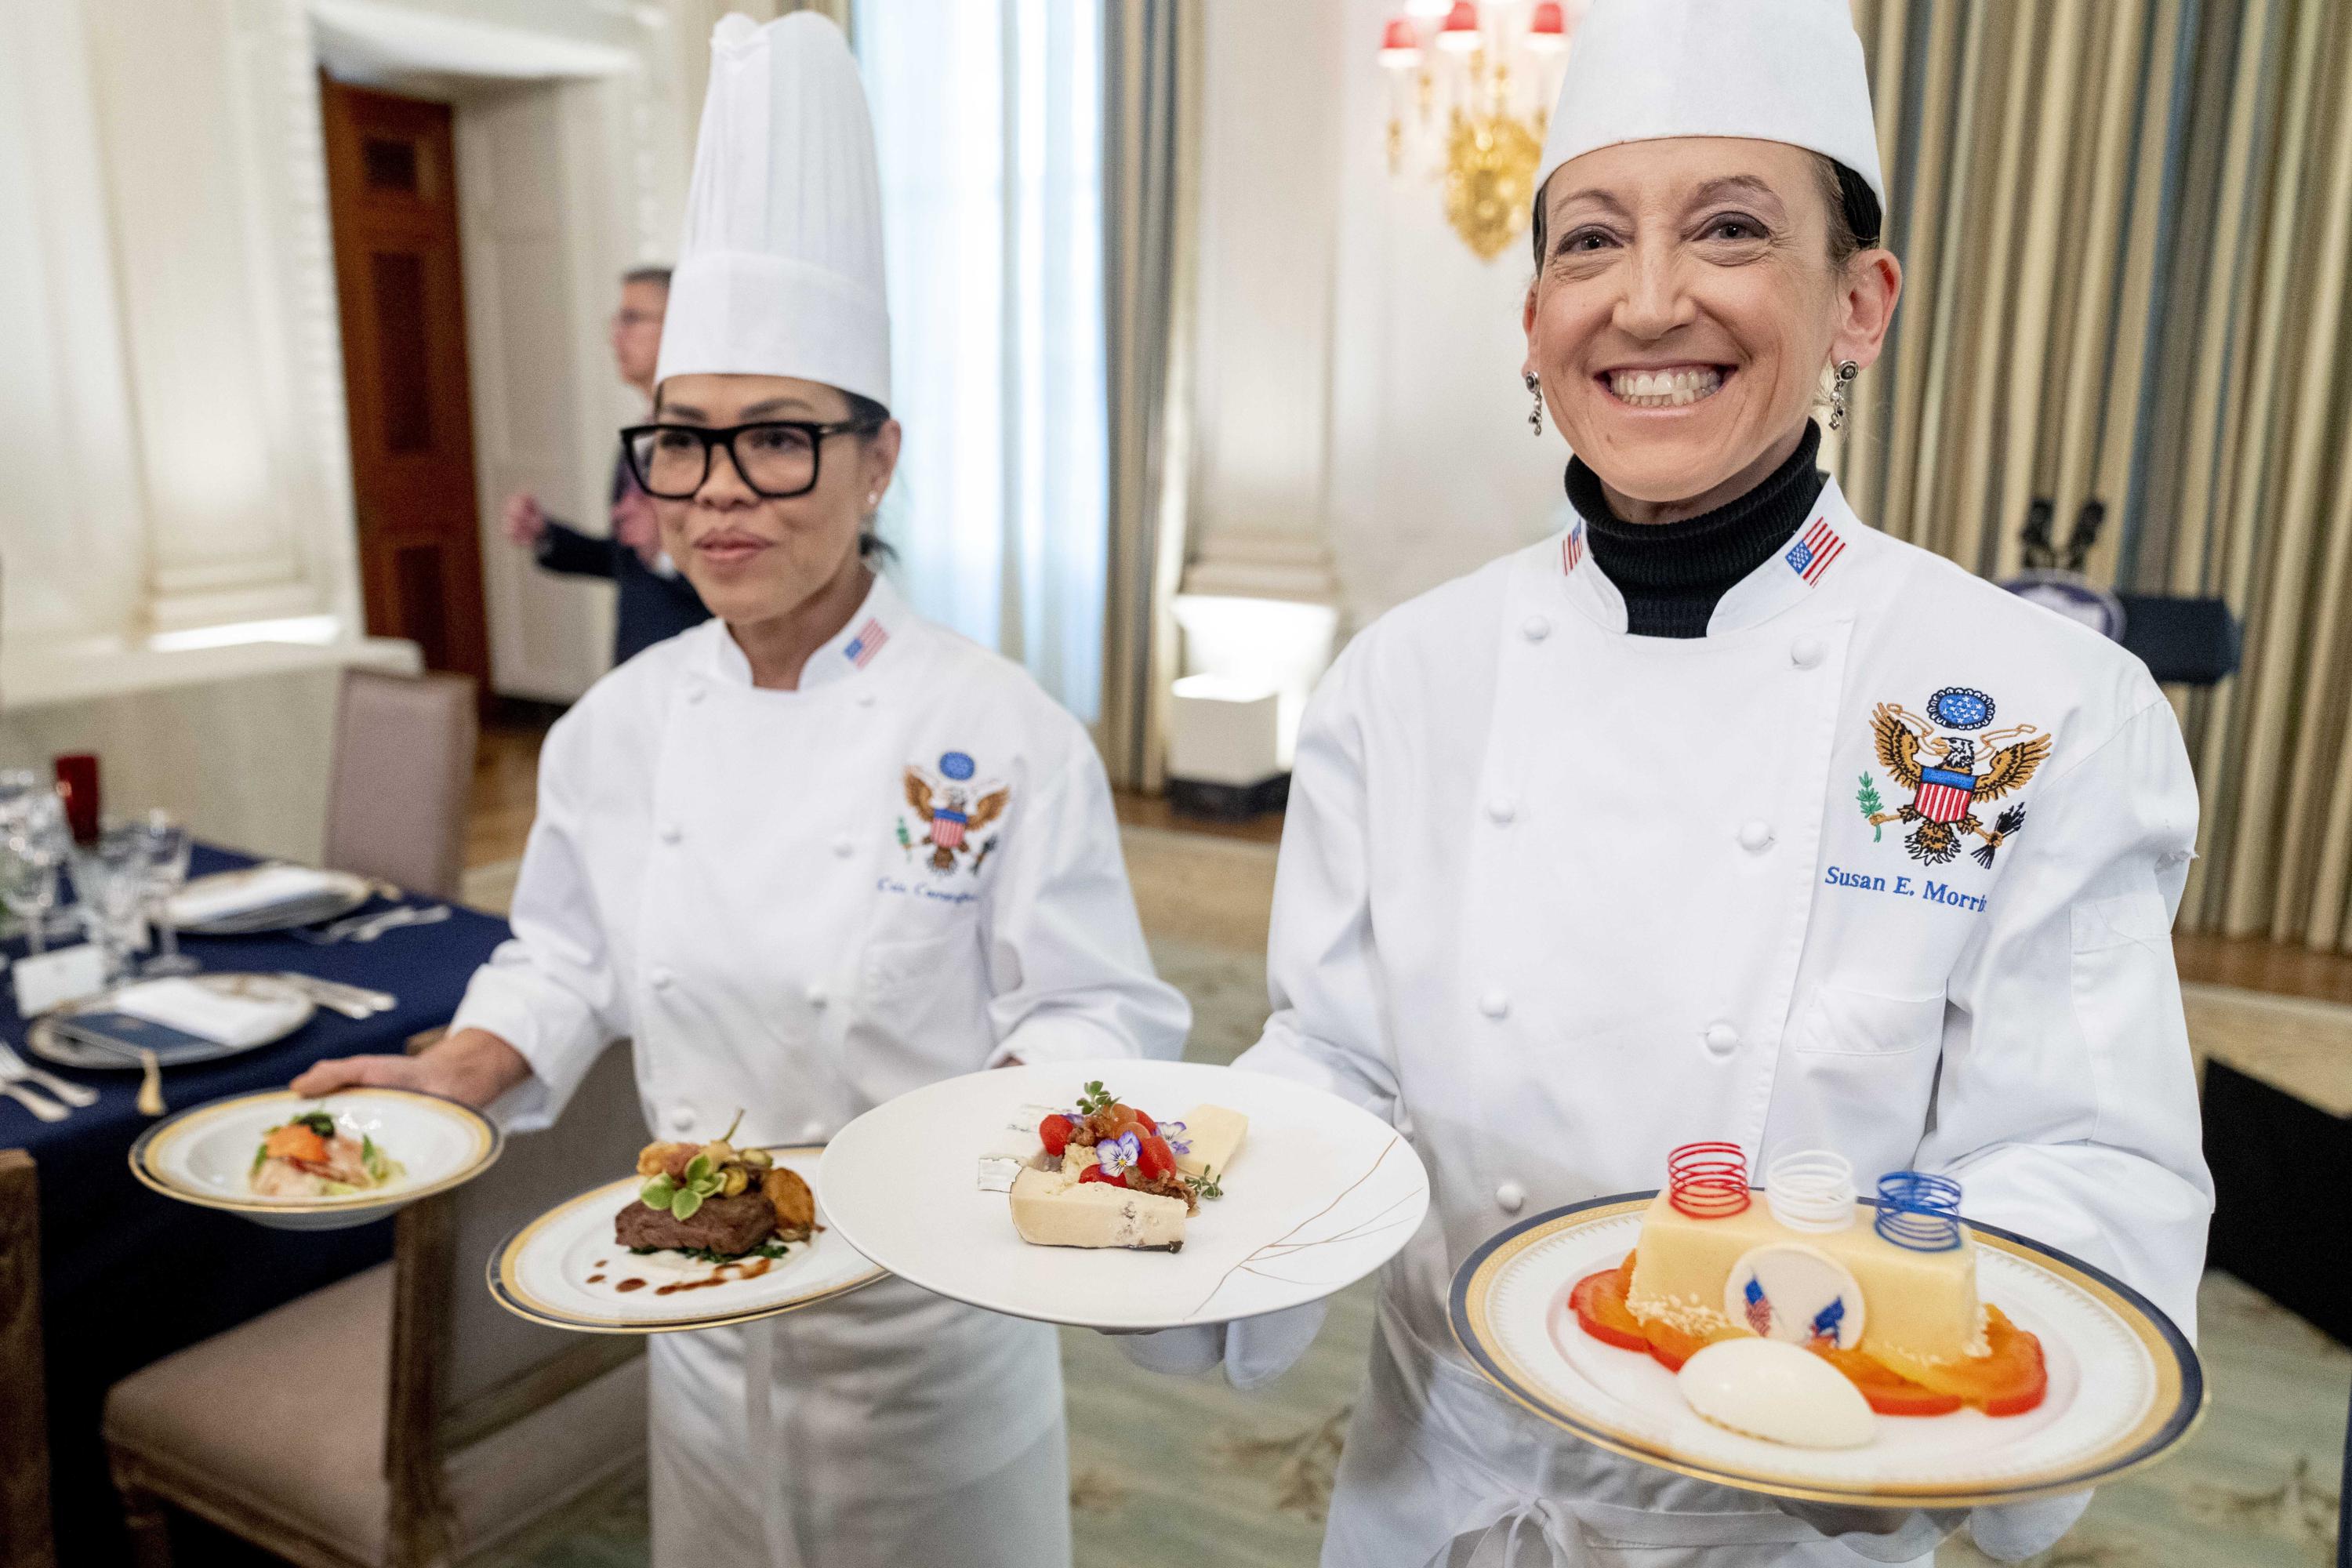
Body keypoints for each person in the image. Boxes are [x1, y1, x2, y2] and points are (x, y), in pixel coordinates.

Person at [1125, 2, 2209, 1564]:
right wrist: (1179, 1231)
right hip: (1440, 1489)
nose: (1646, 302)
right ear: (1533, 314)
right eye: (1588, 241)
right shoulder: (1403, 679)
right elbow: (1339, 1060)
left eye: (1732, 229)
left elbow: (2083, 1160)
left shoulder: (2046, 707)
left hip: (1797, 1509)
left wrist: (1896, 1387)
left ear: (1862, 302)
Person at [296, 15, 1187, 1568]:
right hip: (693, 1330)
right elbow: (567, 951)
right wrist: (458, 1069)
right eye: (684, 445)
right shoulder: (619, 728)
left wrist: (1037, 1120)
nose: (715, 493)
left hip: (932, 1348)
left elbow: (1094, 1009)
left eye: (777, 442)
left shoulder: (1004, 730)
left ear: (877, 456)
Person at [501, 265, 712, 666]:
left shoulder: (711, 439)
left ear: (681, 327)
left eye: (632, 319)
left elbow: (753, 575)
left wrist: (668, 555)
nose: (615, 336)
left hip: (690, 666)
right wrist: (547, 535)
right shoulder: (642, 433)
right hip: (634, 667)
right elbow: (625, 561)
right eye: (616, 320)